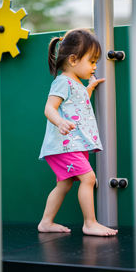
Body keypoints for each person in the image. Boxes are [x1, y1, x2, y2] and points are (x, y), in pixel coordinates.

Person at [38, 28, 118, 236]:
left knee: (64, 184)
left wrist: (89, 89)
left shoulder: (76, 85)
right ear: (73, 60)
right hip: (65, 143)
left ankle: (46, 222)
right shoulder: (62, 82)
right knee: (89, 178)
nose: (94, 67)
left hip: (74, 143)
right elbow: (49, 108)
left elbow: (78, 106)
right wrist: (60, 122)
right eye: (92, 62)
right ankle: (90, 223)